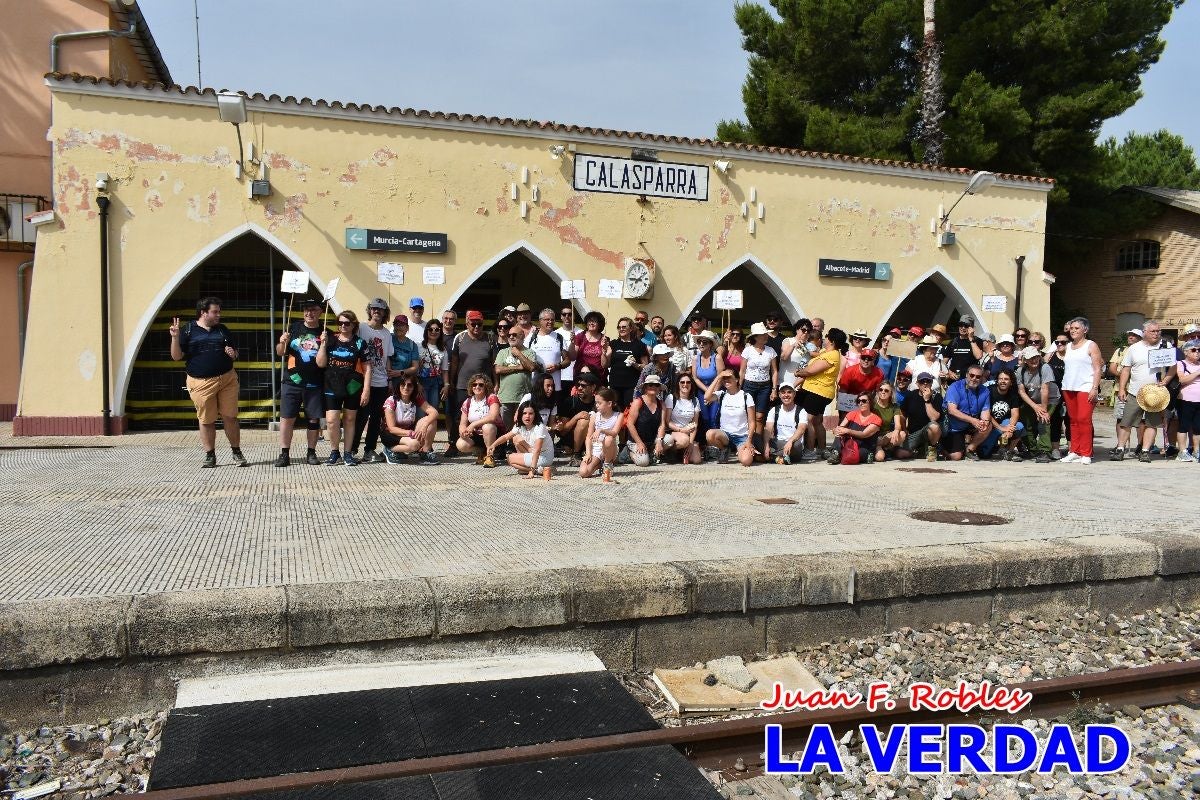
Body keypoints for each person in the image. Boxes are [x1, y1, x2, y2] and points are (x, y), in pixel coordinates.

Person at [169, 296, 247, 468]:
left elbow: (236, 353)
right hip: (201, 383)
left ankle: (236, 452)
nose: (219, 315)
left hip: (227, 379)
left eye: (219, 311)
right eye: (215, 312)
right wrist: (175, 337)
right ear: (203, 313)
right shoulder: (188, 330)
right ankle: (210, 455)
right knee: (206, 420)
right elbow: (176, 356)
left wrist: (233, 354)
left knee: (230, 417)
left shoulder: (223, 329)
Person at [1115, 320, 1176, 462]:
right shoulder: (1134, 348)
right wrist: (1122, 388)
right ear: (1145, 333)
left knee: (1152, 423)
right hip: (1135, 392)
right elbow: (1126, 370)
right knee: (1126, 422)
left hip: (1155, 394)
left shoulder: (1165, 346)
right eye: (1153, 331)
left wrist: (1166, 380)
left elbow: (1173, 367)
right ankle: (1120, 448)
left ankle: (1145, 451)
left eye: (1158, 331)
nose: (1157, 334)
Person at [274, 298, 324, 467]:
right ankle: (284, 454)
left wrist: (323, 343)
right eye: (306, 310)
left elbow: (323, 362)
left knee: (313, 420)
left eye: (313, 309)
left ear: (320, 312)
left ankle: (311, 453)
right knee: (287, 419)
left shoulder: (326, 332)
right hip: (292, 382)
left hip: (315, 383)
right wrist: (282, 342)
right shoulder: (293, 328)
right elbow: (280, 353)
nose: (309, 313)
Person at [318, 310, 371, 466]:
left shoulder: (360, 342)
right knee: (332, 420)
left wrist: (366, 390)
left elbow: (367, 368)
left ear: (353, 324)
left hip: (353, 386)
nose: (343, 326)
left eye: (347, 323)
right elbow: (320, 363)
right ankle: (335, 453)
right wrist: (322, 344)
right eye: (340, 323)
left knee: (349, 419)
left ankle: (348, 453)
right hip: (331, 385)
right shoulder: (330, 340)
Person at [351, 298, 397, 464]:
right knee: (360, 417)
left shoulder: (386, 334)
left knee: (376, 418)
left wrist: (389, 380)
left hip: (381, 382)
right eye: (374, 308)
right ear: (370, 310)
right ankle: (352, 449)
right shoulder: (361, 328)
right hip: (363, 381)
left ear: (385, 312)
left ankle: (369, 449)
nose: (377, 311)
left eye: (381, 309)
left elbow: (388, 358)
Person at [795, 328, 846, 462]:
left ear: (832, 341)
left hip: (818, 391)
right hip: (815, 390)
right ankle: (822, 449)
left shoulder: (832, 355)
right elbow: (811, 357)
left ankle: (810, 450)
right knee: (817, 421)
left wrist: (799, 372)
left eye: (827, 336)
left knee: (809, 420)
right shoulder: (825, 352)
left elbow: (811, 371)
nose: (824, 338)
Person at [1057, 317, 1103, 465]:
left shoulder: (1091, 345)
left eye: (1077, 328)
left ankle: (1086, 453)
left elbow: (1098, 368)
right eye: (1072, 328)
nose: (1073, 330)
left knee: (1084, 420)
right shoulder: (1068, 346)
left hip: (1085, 387)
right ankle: (1074, 451)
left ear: (1085, 330)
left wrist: (1094, 388)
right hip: (1069, 387)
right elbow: (1049, 355)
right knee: (1073, 421)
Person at [448, 310, 494, 456]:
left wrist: (495, 384)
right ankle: (453, 444)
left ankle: (488, 448)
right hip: (462, 385)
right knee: (458, 417)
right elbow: (454, 363)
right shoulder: (459, 338)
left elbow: (494, 364)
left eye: (479, 324)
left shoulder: (490, 338)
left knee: (485, 416)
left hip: (483, 387)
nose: (476, 327)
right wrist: (451, 382)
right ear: (467, 323)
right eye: (473, 323)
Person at [739, 322, 779, 459]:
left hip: (765, 386)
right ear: (755, 337)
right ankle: (747, 443)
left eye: (765, 334)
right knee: (749, 415)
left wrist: (774, 389)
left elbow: (774, 371)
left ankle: (757, 444)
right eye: (762, 334)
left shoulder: (771, 351)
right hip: (749, 385)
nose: (765, 336)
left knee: (760, 416)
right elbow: (742, 370)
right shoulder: (747, 350)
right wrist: (739, 387)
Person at [380, 377, 440, 464]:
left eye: (409, 385)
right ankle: (389, 449)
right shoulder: (391, 401)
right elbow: (392, 428)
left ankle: (425, 453)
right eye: (403, 385)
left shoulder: (416, 398)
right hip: (391, 435)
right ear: (399, 386)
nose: (406, 387)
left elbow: (434, 412)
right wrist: (411, 433)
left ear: (414, 387)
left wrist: (424, 426)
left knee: (431, 420)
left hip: (407, 433)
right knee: (415, 445)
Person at [1015, 346, 1059, 463]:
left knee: (1043, 421)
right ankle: (1032, 449)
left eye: (1035, 357)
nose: (1033, 360)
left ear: (1039, 357)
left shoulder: (1045, 368)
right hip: (1032, 400)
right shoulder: (1020, 371)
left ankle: (1045, 451)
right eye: (1030, 358)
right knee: (1026, 421)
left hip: (1049, 399)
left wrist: (1043, 410)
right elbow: (1021, 391)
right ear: (1025, 360)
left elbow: (1045, 389)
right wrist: (1035, 407)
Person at [494, 327, 544, 430]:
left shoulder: (529, 352)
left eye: (514, 335)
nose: (511, 337)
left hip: (523, 397)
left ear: (522, 336)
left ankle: (518, 445)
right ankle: (506, 445)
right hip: (505, 397)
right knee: (505, 427)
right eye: (509, 335)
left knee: (521, 426)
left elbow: (531, 367)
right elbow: (498, 370)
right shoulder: (503, 352)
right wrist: (519, 367)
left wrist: (518, 354)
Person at [703, 369, 756, 466]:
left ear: (736, 380)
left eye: (729, 378)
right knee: (709, 434)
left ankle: (741, 450)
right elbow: (706, 397)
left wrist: (749, 440)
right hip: (725, 435)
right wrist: (718, 377)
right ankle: (724, 449)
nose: (726, 381)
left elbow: (752, 422)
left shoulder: (746, 396)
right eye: (724, 379)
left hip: (742, 436)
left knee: (746, 461)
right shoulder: (722, 394)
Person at [488, 401, 555, 477]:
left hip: (544, 457)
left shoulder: (540, 427)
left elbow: (537, 450)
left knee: (510, 458)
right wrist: (493, 445)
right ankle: (540, 470)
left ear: (535, 415)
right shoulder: (519, 426)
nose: (527, 416)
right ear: (520, 415)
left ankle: (535, 469)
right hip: (535, 454)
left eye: (530, 413)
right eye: (524, 413)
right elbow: (506, 437)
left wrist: (531, 472)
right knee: (516, 439)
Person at [943, 366, 991, 461]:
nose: (974, 378)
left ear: (981, 378)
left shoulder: (985, 391)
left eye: (978, 377)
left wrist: (984, 422)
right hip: (954, 427)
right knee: (956, 457)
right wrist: (973, 420)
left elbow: (985, 411)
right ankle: (941, 448)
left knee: (988, 425)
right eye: (972, 375)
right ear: (966, 375)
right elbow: (952, 410)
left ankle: (970, 449)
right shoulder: (955, 387)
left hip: (971, 425)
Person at [456, 373, 502, 467]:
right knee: (461, 444)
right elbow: (462, 423)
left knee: (487, 427)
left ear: (486, 386)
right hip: (476, 435)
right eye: (474, 384)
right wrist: (463, 432)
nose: (477, 387)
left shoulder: (492, 397)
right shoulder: (468, 402)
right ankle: (482, 453)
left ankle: (490, 456)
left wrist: (473, 425)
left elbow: (493, 417)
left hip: (494, 434)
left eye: (481, 385)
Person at [894, 372, 942, 461]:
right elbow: (902, 414)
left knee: (934, 426)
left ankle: (932, 448)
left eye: (928, 381)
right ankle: (920, 451)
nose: (925, 383)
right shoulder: (910, 396)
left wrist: (927, 400)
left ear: (931, 383)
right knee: (900, 453)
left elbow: (934, 418)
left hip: (929, 432)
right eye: (922, 381)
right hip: (914, 433)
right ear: (917, 383)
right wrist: (904, 429)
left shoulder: (937, 396)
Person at [979, 370, 1025, 461]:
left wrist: (1010, 429)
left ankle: (1008, 451)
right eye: (1001, 379)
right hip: (990, 426)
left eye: (1006, 379)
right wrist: (1001, 428)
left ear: (1011, 382)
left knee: (1019, 426)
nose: (1003, 381)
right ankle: (999, 447)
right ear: (997, 380)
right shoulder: (989, 391)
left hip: (1005, 424)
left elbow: (1015, 414)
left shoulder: (1013, 394)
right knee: (984, 454)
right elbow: (986, 414)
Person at [554, 371, 598, 467]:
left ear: (593, 387)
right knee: (584, 421)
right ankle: (576, 455)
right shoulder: (570, 401)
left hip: (593, 440)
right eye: (578, 385)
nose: (579, 388)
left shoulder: (598, 402)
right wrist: (576, 417)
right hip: (572, 439)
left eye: (583, 385)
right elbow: (563, 431)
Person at [579, 387, 622, 480]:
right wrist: (588, 453)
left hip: (609, 447)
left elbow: (614, 433)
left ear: (609, 403)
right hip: (596, 448)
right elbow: (588, 437)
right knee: (583, 472)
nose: (597, 405)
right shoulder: (594, 416)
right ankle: (598, 464)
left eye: (599, 403)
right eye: (596, 403)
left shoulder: (618, 415)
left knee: (608, 439)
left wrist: (601, 430)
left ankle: (607, 464)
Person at [526, 308, 574, 391]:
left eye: (552, 320)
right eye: (547, 320)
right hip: (535, 386)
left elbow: (567, 360)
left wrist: (557, 366)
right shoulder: (531, 337)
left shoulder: (559, 338)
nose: (550, 322)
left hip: (554, 387)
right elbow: (524, 358)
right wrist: (536, 366)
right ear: (540, 321)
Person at [625, 373, 666, 467]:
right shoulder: (638, 402)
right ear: (645, 387)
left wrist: (659, 441)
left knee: (669, 440)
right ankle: (628, 453)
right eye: (650, 385)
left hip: (652, 440)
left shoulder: (661, 404)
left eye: (656, 385)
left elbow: (662, 424)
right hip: (636, 440)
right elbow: (629, 424)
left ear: (659, 388)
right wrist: (639, 443)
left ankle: (652, 453)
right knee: (643, 462)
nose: (653, 387)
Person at [607, 317, 649, 408]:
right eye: (619, 327)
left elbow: (646, 367)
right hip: (615, 385)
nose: (621, 329)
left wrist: (635, 364)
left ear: (630, 329)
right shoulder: (613, 344)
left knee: (629, 411)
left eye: (624, 327)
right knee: (615, 411)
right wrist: (603, 352)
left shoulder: (639, 345)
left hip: (632, 386)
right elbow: (606, 364)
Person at [828, 394, 882, 464]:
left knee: (854, 455)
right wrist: (836, 430)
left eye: (864, 401)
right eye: (858, 401)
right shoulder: (852, 414)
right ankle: (836, 452)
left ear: (870, 403)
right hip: (850, 443)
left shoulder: (876, 419)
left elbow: (864, 434)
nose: (861, 403)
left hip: (864, 446)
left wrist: (848, 431)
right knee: (840, 433)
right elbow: (840, 427)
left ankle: (837, 454)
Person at [663, 373, 703, 464]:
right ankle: (667, 452)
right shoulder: (671, 398)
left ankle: (680, 453)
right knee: (684, 441)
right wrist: (681, 430)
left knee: (696, 460)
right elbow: (667, 421)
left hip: (688, 434)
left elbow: (695, 424)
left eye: (688, 382)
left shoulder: (695, 400)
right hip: (673, 431)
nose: (685, 384)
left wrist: (691, 443)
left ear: (691, 384)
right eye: (682, 382)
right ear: (678, 384)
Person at [765, 382, 807, 464]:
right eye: (783, 392)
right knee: (756, 438)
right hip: (778, 442)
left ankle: (771, 457)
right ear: (779, 395)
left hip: (793, 445)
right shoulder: (774, 410)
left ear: (794, 394)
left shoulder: (801, 411)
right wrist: (766, 445)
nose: (786, 395)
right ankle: (781, 459)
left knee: (797, 444)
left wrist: (790, 441)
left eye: (789, 392)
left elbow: (801, 429)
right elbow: (768, 429)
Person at [416, 319, 449, 422]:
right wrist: (417, 383)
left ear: (440, 331)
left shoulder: (442, 349)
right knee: (421, 413)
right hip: (421, 382)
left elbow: (444, 370)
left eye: (437, 329)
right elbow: (413, 368)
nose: (434, 332)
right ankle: (419, 437)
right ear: (426, 331)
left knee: (433, 413)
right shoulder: (419, 346)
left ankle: (429, 437)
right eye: (431, 329)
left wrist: (446, 385)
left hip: (435, 383)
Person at [691, 329, 724, 430]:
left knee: (713, 418)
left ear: (710, 344)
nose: (701, 344)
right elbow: (695, 378)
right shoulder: (695, 358)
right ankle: (707, 443)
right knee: (705, 419)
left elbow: (721, 377)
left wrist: (712, 393)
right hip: (702, 391)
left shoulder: (717, 358)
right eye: (699, 341)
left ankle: (716, 443)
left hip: (716, 391)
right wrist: (707, 392)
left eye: (704, 342)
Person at [1174, 339, 1200, 461]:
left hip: (1199, 400)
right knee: (1184, 425)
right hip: (1186, 399)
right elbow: (1182, 380)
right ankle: (1182, 451)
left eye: (1199, 350)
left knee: (1198, 427)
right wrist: (1197, 373)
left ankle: (1196, 450)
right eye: (1194, 350)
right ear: (1186, 352)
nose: (1197, 352)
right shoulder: (1181, 364)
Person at [943, 316, 983, 383]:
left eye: (966, 325)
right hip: (954, 382)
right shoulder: (953, 342)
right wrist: (949, 372)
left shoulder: (977, 341)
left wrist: (971, 338)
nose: (963, 327)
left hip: (970, 381)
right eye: (961, 325)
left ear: (971, 328)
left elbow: (978, 356)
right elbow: (944, 363)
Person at [573, 311, 610, 382]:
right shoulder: (580, 336)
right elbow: (572, 357)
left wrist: (603, 351)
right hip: (581, 377)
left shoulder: (605, 339)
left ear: (600, 324)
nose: (591, 323)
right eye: (589, 321)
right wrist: (572, 344)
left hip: (598, 378)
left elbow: (604, 365)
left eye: (594, 321)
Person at [871, 382, 903, 462]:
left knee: (902, 434)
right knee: (880, 458)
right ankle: (879, 449)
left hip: (887, 435)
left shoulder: (894, 406)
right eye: (880, 389)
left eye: (886, 390)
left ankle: (887, 449)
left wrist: (896, 430)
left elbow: (898, 424)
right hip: (875, 436)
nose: (883, 392)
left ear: (891, 393)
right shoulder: (873, 405)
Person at [779, 319, 813, 389]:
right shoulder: (788, 341)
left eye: (808, 331)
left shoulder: (810, 346)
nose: (806, 333)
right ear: (797, 330)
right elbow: (784, 358)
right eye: (803, 330)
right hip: (785, 382)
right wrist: (793, 346)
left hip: (800, 385)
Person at [389, 314, 421, 391]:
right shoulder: (388, 338)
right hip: (387, 382)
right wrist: (389, 381)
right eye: (396, 325)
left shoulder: (412, 345)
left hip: (405, 384)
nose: (398, 327)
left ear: (407, 328)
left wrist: (400, 372)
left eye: (401, 325)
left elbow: (415, 367)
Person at [556, 306, 583, 384]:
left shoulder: (581, 333)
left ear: (574, 316)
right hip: (560, 375)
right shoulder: (556, 333)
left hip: (577, 375)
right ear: (561, 317)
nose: (567, 317)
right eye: (564, 314)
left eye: (570, 314)